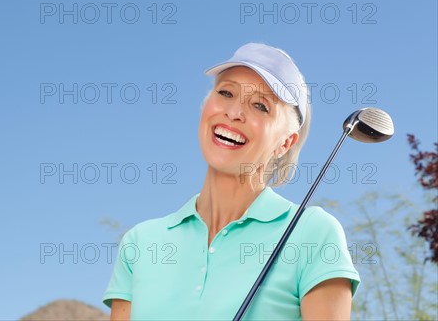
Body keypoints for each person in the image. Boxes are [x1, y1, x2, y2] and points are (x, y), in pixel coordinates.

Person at [102, 43, 360, 320]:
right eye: (226, 92)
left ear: (285, 143)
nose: (234, 112)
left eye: (260, 106)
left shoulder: (313, 233)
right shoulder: (141, 242)